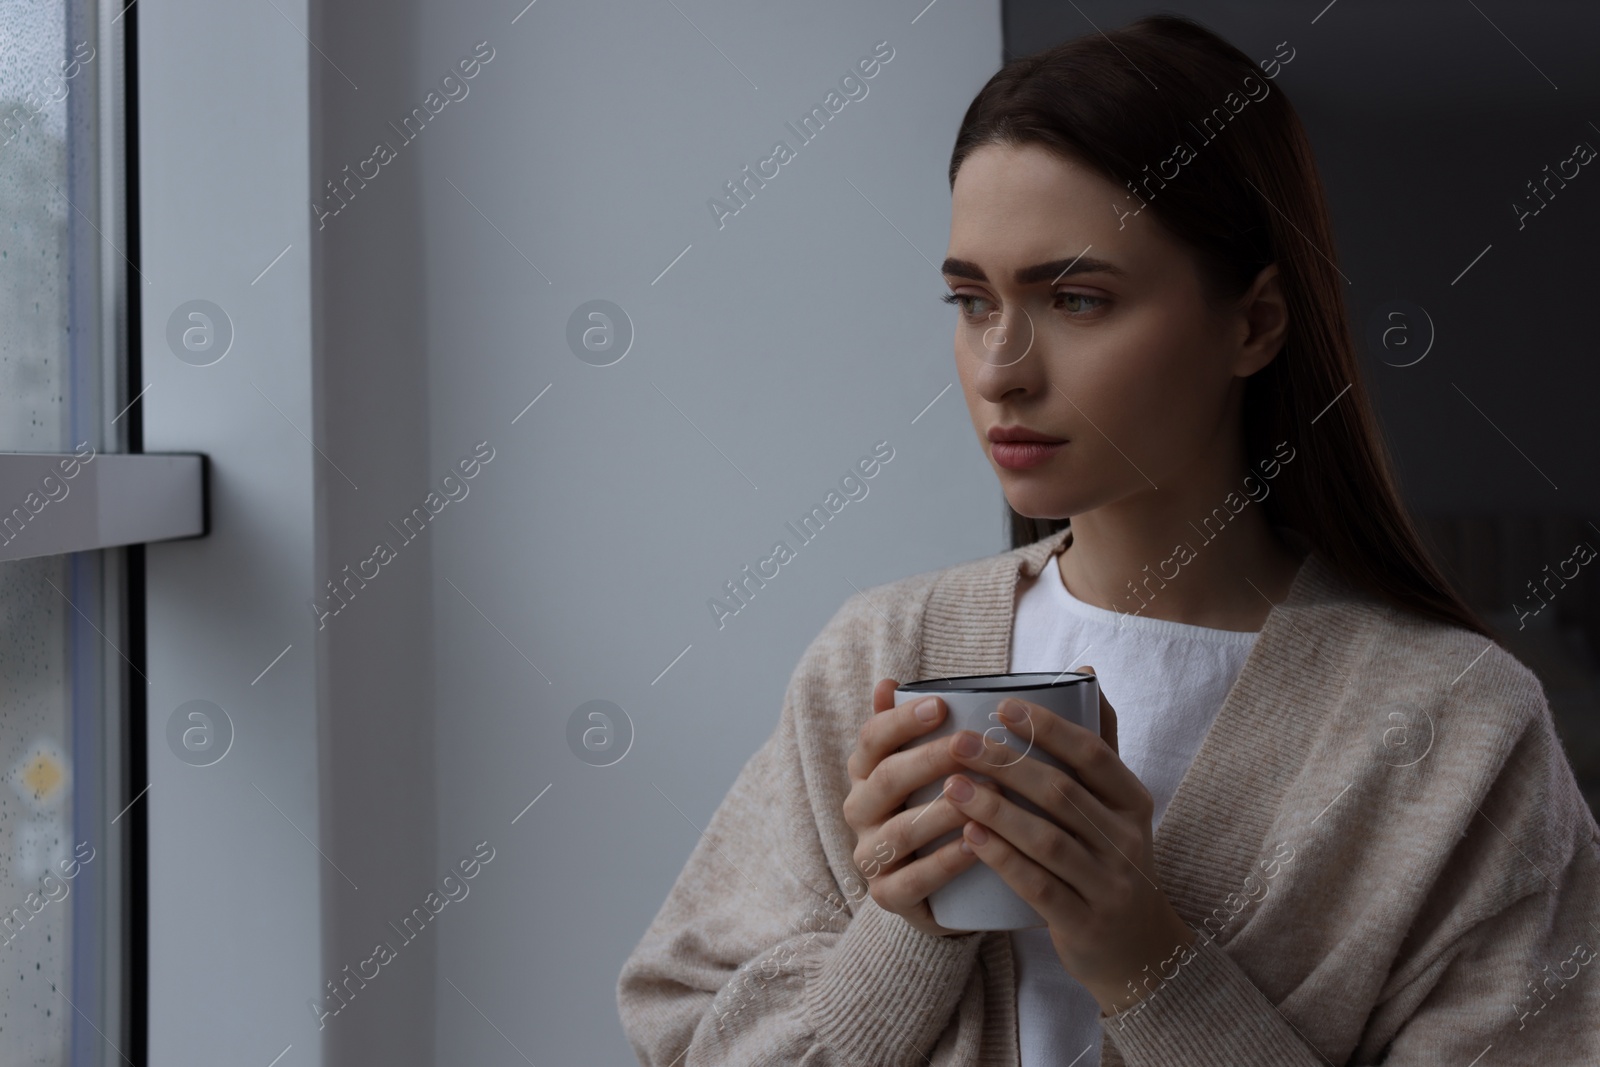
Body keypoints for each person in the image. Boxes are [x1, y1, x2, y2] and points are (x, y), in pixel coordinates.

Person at [616, 13, 1600, 1066]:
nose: (1001, 366)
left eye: (1077, 298)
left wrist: (1148, 960)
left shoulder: (1458, 732)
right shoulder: (877, 658)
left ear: (1255, 323)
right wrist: (902, 929)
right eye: (969, 298)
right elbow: (680, 1035)